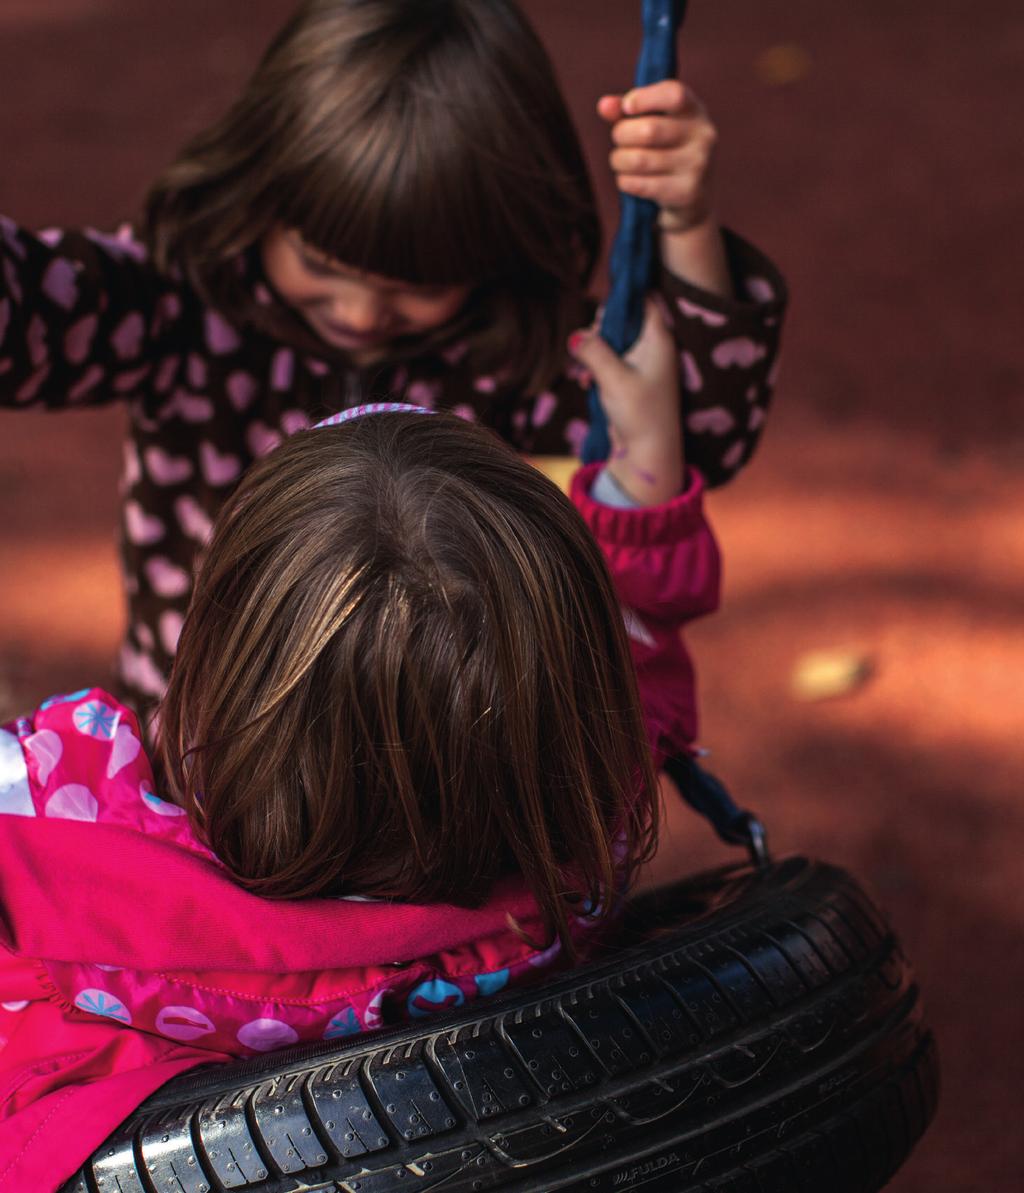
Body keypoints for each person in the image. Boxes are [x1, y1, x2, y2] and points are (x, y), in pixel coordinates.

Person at [0, 298, 718, 1188]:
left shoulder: (50, 864)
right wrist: (645, 470)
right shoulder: (571, 843)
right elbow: (634, 672)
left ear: (212, 699)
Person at [0, 0, 784, 721]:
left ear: (495, 250)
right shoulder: (181, 300)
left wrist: (684, 222)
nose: (360, 313)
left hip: (417, 783)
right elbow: (32, 317)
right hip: (196, 742)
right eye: (321, 263)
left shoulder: (510, 349)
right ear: (261, 189)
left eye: (416, 286)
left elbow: (696, 433)